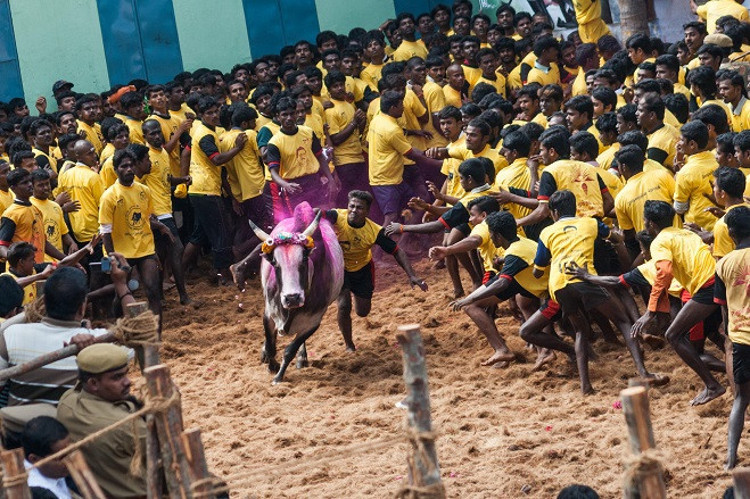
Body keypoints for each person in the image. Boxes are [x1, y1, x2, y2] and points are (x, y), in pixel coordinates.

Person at [534, 190, 656, 394]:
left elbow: (538, 271)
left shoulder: (546, 232)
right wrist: (615, 234)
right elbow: (615, 238)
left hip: (559, 285)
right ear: (575, 208)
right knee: (623, 321)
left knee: (580, 331)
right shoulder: (590, 223)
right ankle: (643, 372)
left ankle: (586, 386)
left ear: (554, 213)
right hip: (585, 279)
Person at [632, 201, 725, 405]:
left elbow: (664, 272)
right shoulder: (686, 233)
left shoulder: (659, 242)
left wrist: (650, 311)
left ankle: (713, 386)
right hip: (719, 281)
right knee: (717, 334)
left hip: (707, 286)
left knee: (673, 335)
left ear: (650, 224)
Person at [324, 191, 426, 351]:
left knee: (362, 312)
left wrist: (412, 275)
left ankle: (357, 300)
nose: (354, 210)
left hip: (362, 270)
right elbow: (318, 214)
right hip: (340, 270)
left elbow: (397, 251)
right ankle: (349, 345)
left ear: (367, 211)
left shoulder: (375, 231)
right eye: (351, 206)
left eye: (359, 208)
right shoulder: (336, 216)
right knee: (343, 306)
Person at [57, 343, 147, 498]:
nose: (128, 382)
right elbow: (171, 455)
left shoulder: (66, 402)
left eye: (126, 374)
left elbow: (79, 386)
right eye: (117, 377)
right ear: (93, 383)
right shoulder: (128, 426)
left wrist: (90, 355)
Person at [185, 96, 246, 285]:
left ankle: (179, 272)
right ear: (201, 115)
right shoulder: (205, 135)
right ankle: (222, 276)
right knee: (221, 232)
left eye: (216, 111)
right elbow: (217, 160)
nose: (214, 116)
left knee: (199, 235)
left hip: (201, 189)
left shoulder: (206, 131)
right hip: (206, 191)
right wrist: (237, 148)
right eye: (209, 113)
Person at [100, 148, 165, 323]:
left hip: (145, 249)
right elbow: (105, 231)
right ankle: (118, 326)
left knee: (153, 291)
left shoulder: (144, 191)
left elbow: (146, 220)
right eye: (124, 166)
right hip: (122, 253)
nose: (129, 169)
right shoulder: (109, 196)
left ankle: (155, 334)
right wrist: (112, 256)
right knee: (122, 293)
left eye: (131, 165)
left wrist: (154, 250)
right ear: (116, 170)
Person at [140, 121, 192, 305]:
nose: (156, 136)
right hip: (157, 213)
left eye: (158, 133)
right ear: (145, 136)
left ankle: (161, 296)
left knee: (162, 254)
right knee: (176, 249)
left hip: (165, 208)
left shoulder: (162, 152)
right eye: (152, 134)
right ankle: (183, 296)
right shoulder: (145, 157)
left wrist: (182, 179)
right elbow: (139, 184)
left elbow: (166, 179)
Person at [717, 206, 750, 469]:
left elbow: (723, 306)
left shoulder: (724, 264)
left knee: (741, 399)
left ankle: (730, 459)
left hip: (741, 338)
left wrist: (728, 333)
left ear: (730, 233)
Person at [0, 169, 66, 264]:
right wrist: (19, 262)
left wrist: (67, 259)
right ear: (13, 188)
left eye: (30, 181)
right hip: (22, 270)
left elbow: (43, 242)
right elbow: (2, 246)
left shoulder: (35, 209)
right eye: (24, 183)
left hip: (37, 267)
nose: (30, 185)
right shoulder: (11, 214)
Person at [54, 140, 105, 258]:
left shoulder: (66, 175)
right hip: (94, 233)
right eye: (89, 154)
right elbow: (103, 206)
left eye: (93, 152)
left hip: (76, 232)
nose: (94, 156)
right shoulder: (93, 177)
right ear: (78, 156)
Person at [675, 120, 720, 232]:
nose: (679, 143)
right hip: (719, 221)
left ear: (692, 145)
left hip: (698, 228)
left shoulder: (686, 172)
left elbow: (680, 208)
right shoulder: (717, 157)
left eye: (682, 140)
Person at [21, 416, 73, 499]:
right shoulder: (35, 493)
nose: (70, 460)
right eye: (61, 458)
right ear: (35, 459)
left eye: (70, 451)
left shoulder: (56, 471)